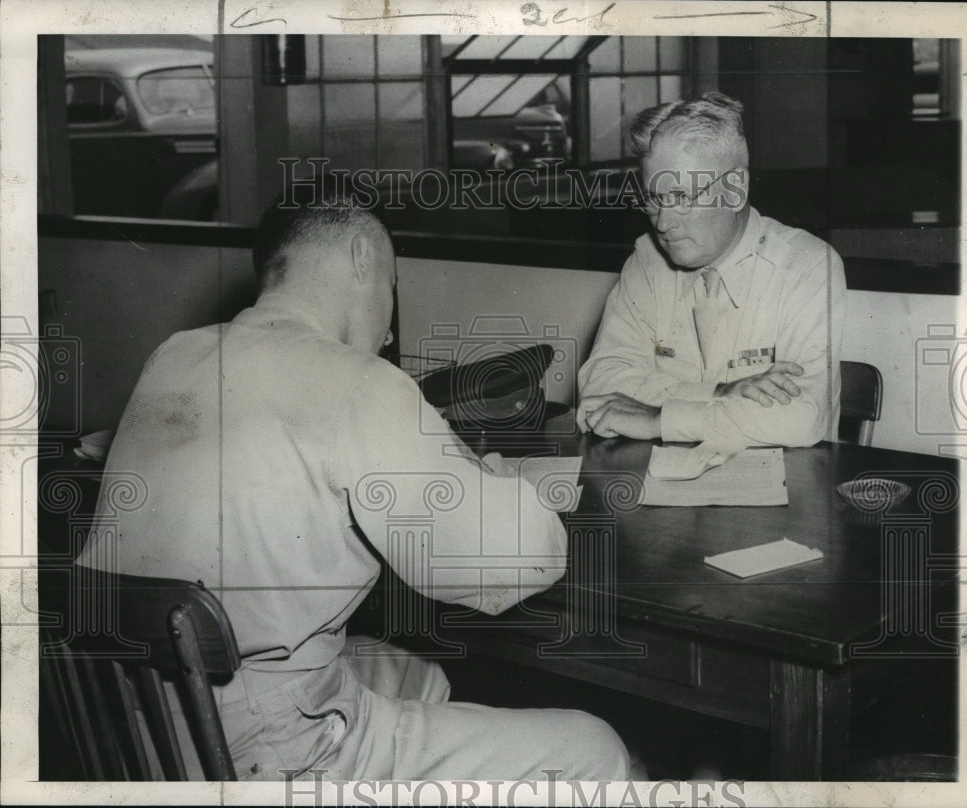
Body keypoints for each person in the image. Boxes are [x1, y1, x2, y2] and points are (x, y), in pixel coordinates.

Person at [76, 196, 632, 782]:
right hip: (270, 748)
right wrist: (509, 488)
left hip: (147, 720)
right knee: (594, 748)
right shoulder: (358, 380)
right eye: (392, 284)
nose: (390, 325)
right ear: (362, 256)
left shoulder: (174, 353)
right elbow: (506, 564)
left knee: (415, 675)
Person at [577, 92, 846, 451]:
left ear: (735, 190)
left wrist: (658, 419)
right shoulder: (647, 260)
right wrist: (718, 393)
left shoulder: (807, 265)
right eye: (653, 199)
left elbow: (802, 419)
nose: (663, 222)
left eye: (683, 198)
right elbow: (600, 387)